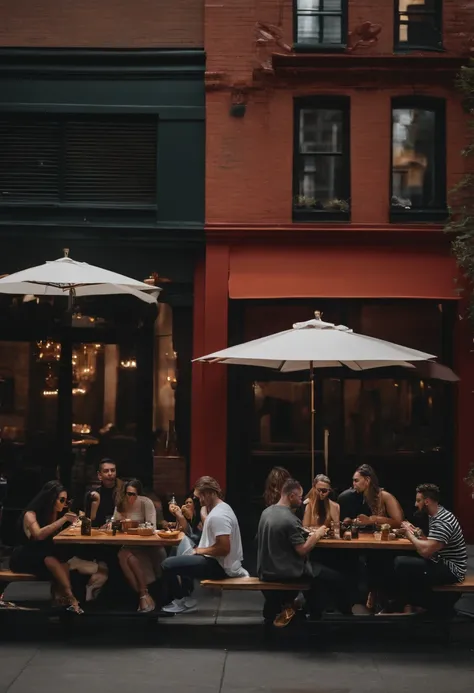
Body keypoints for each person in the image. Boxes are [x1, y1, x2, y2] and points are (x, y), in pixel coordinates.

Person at [257, 478, 355, 627]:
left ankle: (305, 608)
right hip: (286, 571)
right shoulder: (289, 519)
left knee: (318, 573)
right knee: (336, 578)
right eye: (300, 497)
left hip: (266, 569)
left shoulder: (266, 512)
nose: (301, 499)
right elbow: (302, 550)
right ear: (291, 496)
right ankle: (341, 617)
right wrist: (318, 534)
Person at [161, 476, 248, 614]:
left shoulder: (218, 515)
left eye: (199, 496)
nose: (199, 501)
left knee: (167, 564)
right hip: (220, 563)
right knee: (183, 555)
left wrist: (200, 550)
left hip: (220, 567)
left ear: (209, 493)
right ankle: (187, 597)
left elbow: (224, 548)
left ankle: (181, 600)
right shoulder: (222, 508)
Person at [391, 483, 467, 614]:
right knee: (404, 562)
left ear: (426, 501)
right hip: (441, 561)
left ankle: (414, 605)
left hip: (452, 570)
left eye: (418, 500)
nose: (416, 504)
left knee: (401, 564)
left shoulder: (443, 520)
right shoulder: (437, 514)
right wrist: (417, 533)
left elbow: (426, 551)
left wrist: (408, 534)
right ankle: (408, 605)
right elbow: (432, 544)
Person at [10, 480, 83, 614]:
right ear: (51, 499)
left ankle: (61, 600)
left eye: (66, 501)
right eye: (62, 500)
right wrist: (63, 520)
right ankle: (71, 598)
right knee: (51, 560)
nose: (64, 504)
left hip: (44, 555)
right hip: (25, 555)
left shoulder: (56, 513)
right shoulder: (31, 514)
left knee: (62, 562)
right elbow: (38, 535)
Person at [112, 479, 164, 613]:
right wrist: (114, 524)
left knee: (124, 554)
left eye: (133, 494)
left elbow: (151, 527)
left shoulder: (145, 503)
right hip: (127, 543)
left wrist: (132, 526)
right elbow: (114, 522)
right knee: (123, 554)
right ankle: (144, 594)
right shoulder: (121, 504)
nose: (130, 497)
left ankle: (143, 594)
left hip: (145, 543)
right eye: (128, 494)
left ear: (139, 494)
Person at [89, 458, 123, 528]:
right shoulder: (95, 494)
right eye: (106, 471)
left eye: (113, 470)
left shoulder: (123, 491)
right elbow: (91, 520)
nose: (110, 474)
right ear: (99, 475)